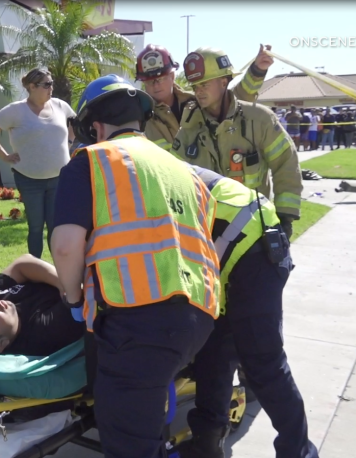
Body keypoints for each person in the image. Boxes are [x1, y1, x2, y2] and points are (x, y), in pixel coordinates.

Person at [51, 74, 220, 458]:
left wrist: (75, 300)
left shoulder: (91, 162)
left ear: (94, 127)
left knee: (128, 445)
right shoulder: (185, 172)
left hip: (138, 325)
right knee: (146, 422)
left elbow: (65, 248)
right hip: (198, 319)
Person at [179, 165, 318, 458]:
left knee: (262, 361)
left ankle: (299, 452)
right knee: (213, 353)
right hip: (232, 247)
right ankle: (207, 445)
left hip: (254, 248)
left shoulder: (139, 183)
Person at [170, 47, 303, 238]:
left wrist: (285, 217)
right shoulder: (188, 133)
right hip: (208, 234)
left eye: (204, 84)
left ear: (223, 81)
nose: (198, 92)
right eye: (195, 86)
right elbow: (176, 182)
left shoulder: (259, 120)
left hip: (256, 231)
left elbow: (286, 164)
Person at [0, 68, 76, 258]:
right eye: (46, 84)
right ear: (32, 87)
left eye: (52, 83)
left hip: (58, 178)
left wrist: (70, 143)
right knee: (35, 227)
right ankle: (35, 272)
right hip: (29, 180)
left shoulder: (59, 106)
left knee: (55, 227)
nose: (51, 88)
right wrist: (4, 155)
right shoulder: (16, 110)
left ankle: (60, 272)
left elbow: (75, 122)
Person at [136, 44, 273, 151]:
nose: (155, 85)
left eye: (160, 79)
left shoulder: (196, 101)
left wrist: (257, 71)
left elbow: (234, 100)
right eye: (149, 81)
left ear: (172, 76)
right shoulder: (141, 118)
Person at [0, 254, 85, 357]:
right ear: (1, 344)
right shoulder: (43, 332)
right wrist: (68, 286)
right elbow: (80, 293)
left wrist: (62, 284)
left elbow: (22, 264)